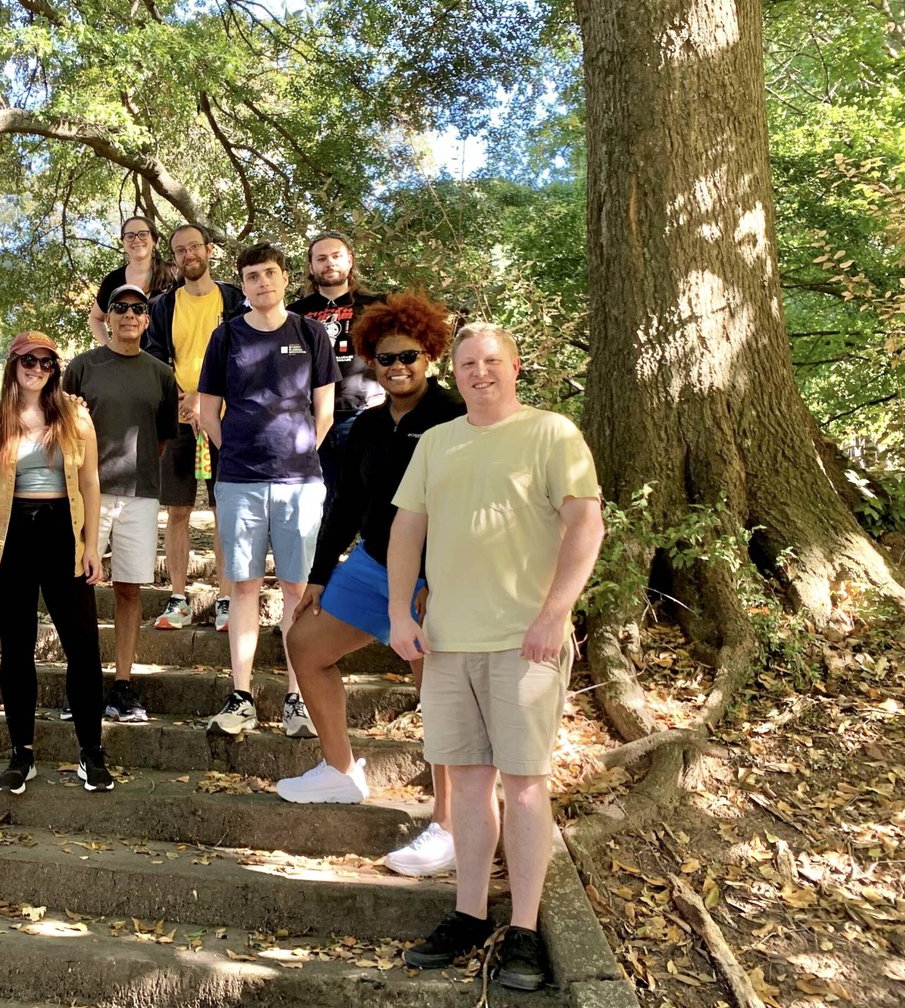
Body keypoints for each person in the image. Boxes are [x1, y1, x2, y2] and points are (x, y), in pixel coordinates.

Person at [388, 323, 604, 991]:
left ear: (514, 367)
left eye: (491, 362)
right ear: (453, 374)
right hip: (449, 643)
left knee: (526, 785)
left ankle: (528, 930)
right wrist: (399, 612)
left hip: (524, 642)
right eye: (467, 364)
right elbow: (407, 527)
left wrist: (554, 614)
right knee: (470, 787)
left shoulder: (552, 434)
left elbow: (586, 522)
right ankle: (470, 913)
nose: (480, 372)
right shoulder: (437, 442)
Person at [278, 294, 465, 877]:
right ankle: (340, 771)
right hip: (373, 563)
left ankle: (452, 826)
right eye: (385, 359)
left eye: (409, 355)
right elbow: (344, 505)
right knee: (305, 645)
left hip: (438, 577)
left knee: (438, 696)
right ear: (370, 363)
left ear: (430, 354)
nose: (397, 366)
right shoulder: (363, 429)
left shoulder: (457, 420)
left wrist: (448, 579)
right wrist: (317, 573)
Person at [197, 243, 339, 739]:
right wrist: (233, 449)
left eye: (270, 274)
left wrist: (300, 451)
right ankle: (241, 696)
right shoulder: (226, 336)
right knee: (243, 587)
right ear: (244, 283)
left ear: (284, 279)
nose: (262, 283)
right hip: (239, 480)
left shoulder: (310, 332)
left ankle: (298, 698)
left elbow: (325, 408)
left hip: (301, 482)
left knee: (297, 590)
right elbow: (206, 409)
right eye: (252, 276)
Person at [0, 331, 115, 794]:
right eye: (28, 360)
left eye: (46, 362)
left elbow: (91, 482)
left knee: (83, 646)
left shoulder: (75, 416)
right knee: (17, 649)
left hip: (62, 532)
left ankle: (91, 752)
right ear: (12, 363)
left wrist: (91, 545)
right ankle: (22, 753)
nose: (37, 369)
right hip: (11, 534)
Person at [64, 286, 179, 723]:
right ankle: (82, 682)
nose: (129, 315)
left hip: (141, 494)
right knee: (77, 589)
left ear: (146, 321)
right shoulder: (82, 368)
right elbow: (61, 428)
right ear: (107, 318)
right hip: (85, 493)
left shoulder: (160, 374)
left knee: (130, 589)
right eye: (120, 308)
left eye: (138, 309)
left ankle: (123, 685)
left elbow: (162, 438)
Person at [141, 222, 243, 631]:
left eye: (194, 247)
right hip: (181, 416)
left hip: (230, 417)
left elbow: (246, 354)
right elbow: (155, 359)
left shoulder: (234, 299)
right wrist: (184, 399)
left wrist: (209, 397)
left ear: (209, 250)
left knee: (224, 510)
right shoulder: (164, 306)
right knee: (178, 510)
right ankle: (179, 598)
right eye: (180, 250)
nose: (188, 255)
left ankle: (225, 600)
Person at [287, 232, 384, 513]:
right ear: (311, 267)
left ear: (350, 261)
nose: (329, 263)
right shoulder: (294, 314)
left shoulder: (376, 307)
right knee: (322, 508)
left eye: (336, 256)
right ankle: (323, 559)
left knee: (371, 504)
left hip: (364, 415)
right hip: (311, 420)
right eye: (321, 258)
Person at [89, 215, 178, 344]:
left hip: (169, 360)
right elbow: (95, 318)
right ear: (123, 242)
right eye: (130, 236)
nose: (136, 240)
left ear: (154, 240)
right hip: (127, 360)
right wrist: (108, 349)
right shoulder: (113, 280)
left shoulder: (173, 273)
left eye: (143, 234)